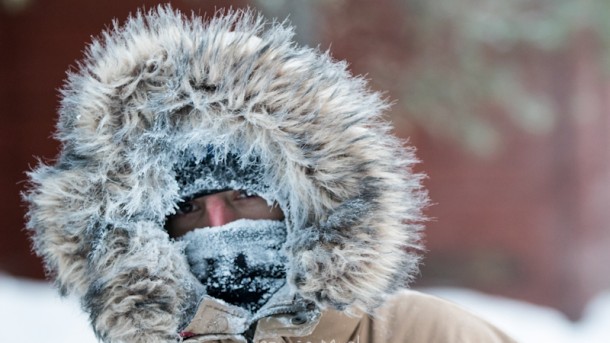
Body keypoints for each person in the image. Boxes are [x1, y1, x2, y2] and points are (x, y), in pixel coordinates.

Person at [24, 5, 516, 343]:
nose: (218, 224)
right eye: (189, 207)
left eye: (244, 193)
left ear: (305, 202)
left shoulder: (429, 334)